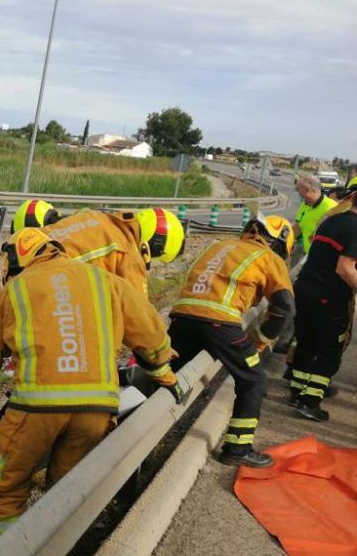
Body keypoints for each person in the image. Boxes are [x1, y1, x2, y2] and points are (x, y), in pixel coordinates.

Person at [0, 228, 186, 537]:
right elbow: (150, 333)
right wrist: (166, 376)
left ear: (18, 261)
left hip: (37, 408)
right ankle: (61, 544)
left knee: (3, 488)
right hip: (96, 410)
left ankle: (6, 546)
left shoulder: (16, 289)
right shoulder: (106, 281)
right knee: (68, 492)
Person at [167, 215, 295, 467]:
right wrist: (258, 341)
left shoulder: (219, 245)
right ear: (279, 242)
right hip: (220, 324)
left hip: (182, 317)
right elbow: (285, 309)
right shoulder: (269, 258)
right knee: (253, 379)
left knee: (169, 373)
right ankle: (238, 449)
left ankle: (138, 424)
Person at [288, 184, 357, 422]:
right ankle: (310, 401)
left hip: (304, 287)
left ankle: (297, 392)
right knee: (330, 350)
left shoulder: (332, 220)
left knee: (306, 342)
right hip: (329, 295)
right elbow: (345, 267)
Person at [39, 207, 186, 296]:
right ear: (155, 245)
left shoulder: (98, 217)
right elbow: (139, 316)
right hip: (39, 283)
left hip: (22, 250)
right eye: (156, 258)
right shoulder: (128, 252)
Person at [294, 174, 337, 254]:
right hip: (307, 254)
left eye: (298, 189)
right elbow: (297, 228)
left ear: (307, 189)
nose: (296, 191)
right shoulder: (304, 205)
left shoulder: (331, 208)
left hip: (321, 259)